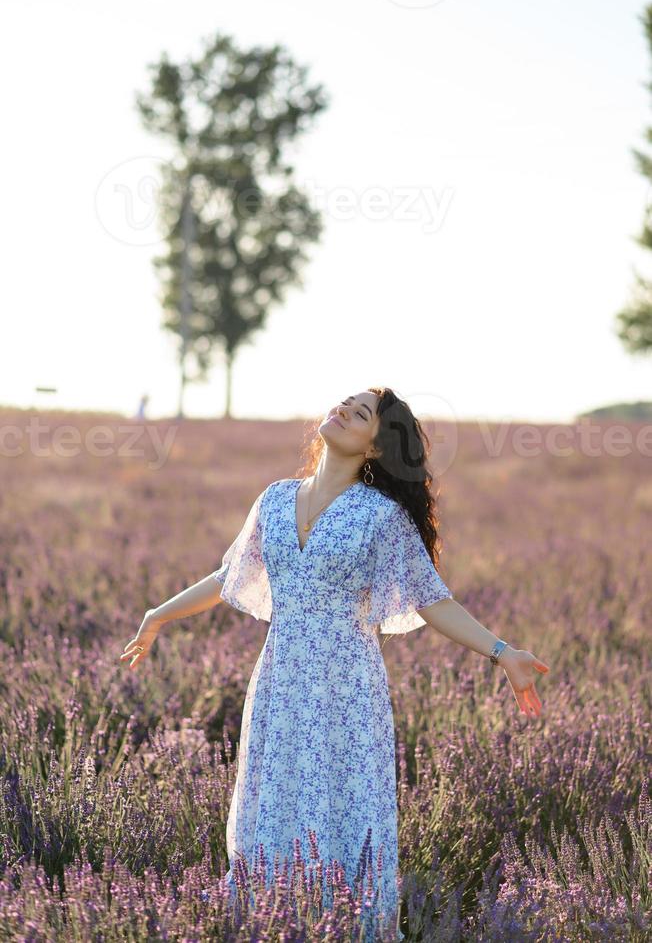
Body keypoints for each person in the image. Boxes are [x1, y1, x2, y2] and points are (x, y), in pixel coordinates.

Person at [119, 387, 550, 940]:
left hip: (347, 691)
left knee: (343, 813)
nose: (343, 410)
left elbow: (431, 598)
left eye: (361, 413)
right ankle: (273, 923)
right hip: (280, 683)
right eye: (344, 402)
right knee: (273, 806)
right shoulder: (273, 499)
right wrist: (160, 613)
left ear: (375, 447)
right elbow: (229, 576)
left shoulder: (381, 517)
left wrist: (503, 652)